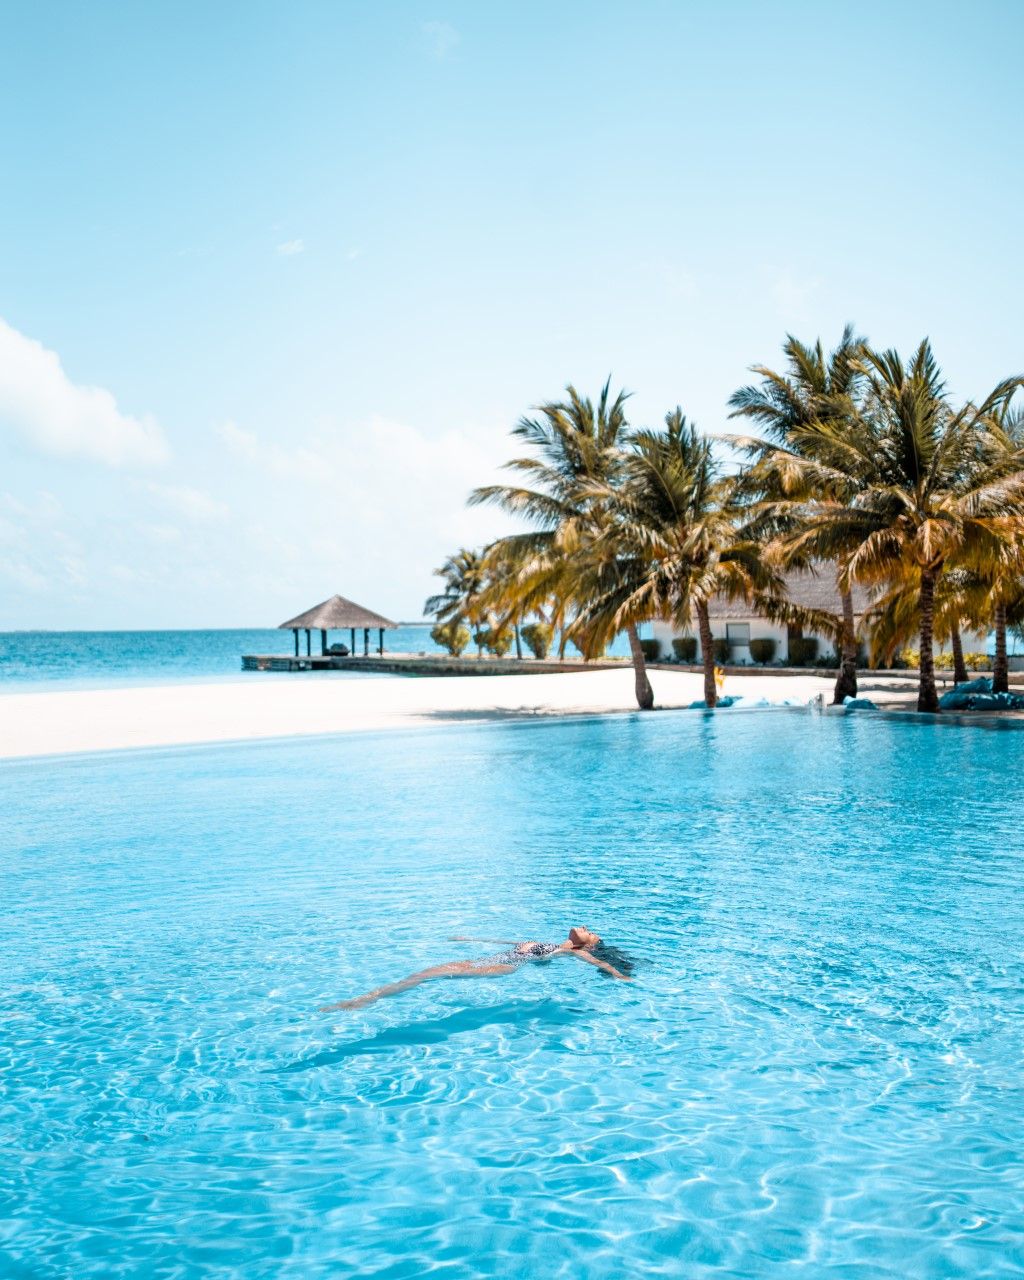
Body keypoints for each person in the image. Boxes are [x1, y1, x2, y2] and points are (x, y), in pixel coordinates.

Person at [320, 925, 632, 1011]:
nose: (587, 928)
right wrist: (469, 938)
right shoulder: (551, 943)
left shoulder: (574, 951)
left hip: (504, 966)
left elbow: (598, 962)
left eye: (592, 933)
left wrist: (621, 976)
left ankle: (365, 1000)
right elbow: (507, 940)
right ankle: (369, 998)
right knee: (425, 973)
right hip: (493, 958)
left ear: (589, 944)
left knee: (431, 974)